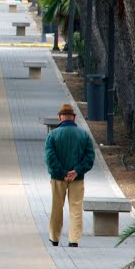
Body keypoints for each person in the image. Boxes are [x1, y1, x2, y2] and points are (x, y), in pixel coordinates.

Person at [44, 102, 95, 247]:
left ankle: (54, 237)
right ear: (73, 118)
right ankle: (74, 239)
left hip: (58, 178)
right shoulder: (84, 135)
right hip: (77, 178)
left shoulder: (52, 135)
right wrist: (77, 170)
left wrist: (62, 172)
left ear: (60, 117)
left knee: (56, 207)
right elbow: (89, 157)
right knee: (76, 207)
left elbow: (50, 157)